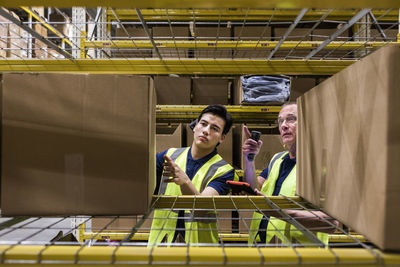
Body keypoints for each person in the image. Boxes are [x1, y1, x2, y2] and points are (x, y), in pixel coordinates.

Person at [242, 102, 337, 245]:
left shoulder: (322, 165)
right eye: (280, 121)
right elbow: (252, 187)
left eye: (291, 119)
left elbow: (330, 223)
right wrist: (249, 160)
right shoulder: (277, 159)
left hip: (299, 257)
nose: (283, 125)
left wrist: (276, 211)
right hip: (262, 250)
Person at [149, 104, 238, 246]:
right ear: (195, 126)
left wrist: (185, 183)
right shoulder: (168, 156)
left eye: (214, 128)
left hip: (200, 251)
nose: (206, 131)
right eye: (203, 124)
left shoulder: (225, 171)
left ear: (222, 138)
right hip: (162, 245)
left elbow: (200, 210)